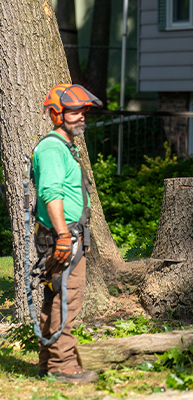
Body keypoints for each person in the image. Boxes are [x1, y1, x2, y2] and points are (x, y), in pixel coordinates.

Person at [33, 83, 102, 383]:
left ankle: (48, 362)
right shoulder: (51, 148)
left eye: (83, 111)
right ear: (55, 114)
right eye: (74, 111)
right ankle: (63, 366)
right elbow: (51, 193)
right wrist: (63, 235)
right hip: (63, 236)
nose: (81, 116)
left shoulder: (63, 146)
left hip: (67, 235)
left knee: (55, 297)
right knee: (67, 299)